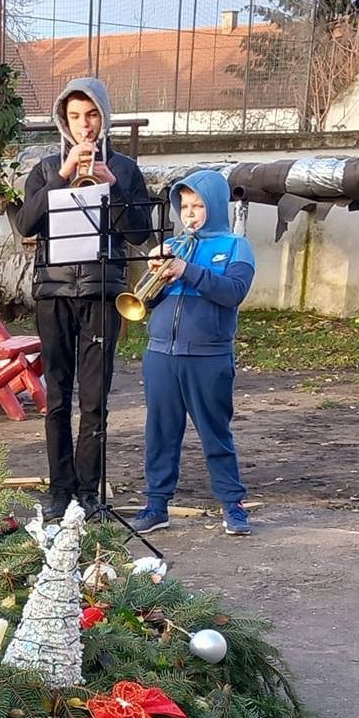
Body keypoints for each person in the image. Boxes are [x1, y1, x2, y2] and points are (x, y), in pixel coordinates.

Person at [8, 76, 155, 521]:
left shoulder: (126, 169)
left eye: (91, 116)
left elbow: (141, 234)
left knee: (94, 399)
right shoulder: (46, 167)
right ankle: (60, 490)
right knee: (57, 396)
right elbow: (26, 226)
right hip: (53, 291)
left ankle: (89, 493)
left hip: (102, 290)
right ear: (63, 121)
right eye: (75, 117)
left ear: (104, 117)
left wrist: (111, 186)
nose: (84, 126)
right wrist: (64, 176)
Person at [136, 170, 256, 536]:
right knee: (160, 432)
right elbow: (150, 299)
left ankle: (233, 505)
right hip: (161, 354)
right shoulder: (173, 245)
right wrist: (156, 269)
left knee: (214, 432)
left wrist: (187, 270)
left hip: (208, 355)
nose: (189, 213)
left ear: (215, 205)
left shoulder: (236, 246)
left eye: (198, 205)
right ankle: (157, 505)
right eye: (184, 205)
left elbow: (233, 291)